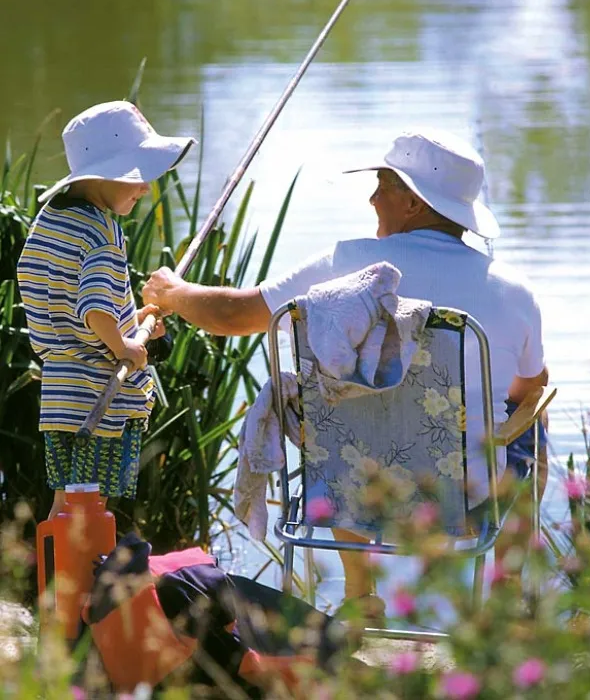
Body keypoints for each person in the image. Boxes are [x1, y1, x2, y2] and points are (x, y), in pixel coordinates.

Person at [142, 127, 548, 608]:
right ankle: (506, 597)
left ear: (414, 203)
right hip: (462, 494)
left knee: (344, 424)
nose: (373, 198)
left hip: (349, 489)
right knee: (531, 422)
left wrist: (172, 292)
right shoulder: (512, 290)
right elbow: (528, 388)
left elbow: (234, 316)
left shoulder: (344, 267)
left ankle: (359, 595)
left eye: (383, 185)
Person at [17, 100, 196, 520]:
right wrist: (125, 348)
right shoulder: (100, 231)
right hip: (97, 392)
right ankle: (83, 583)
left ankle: (59, 582)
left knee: (67, 499)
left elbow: (69, 305)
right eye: (136, 177)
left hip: (60, 390)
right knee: (93, 504)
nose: (145, 188)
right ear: (105, 174)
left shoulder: (51, 220)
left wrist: (132, 324)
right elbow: (94, 308)